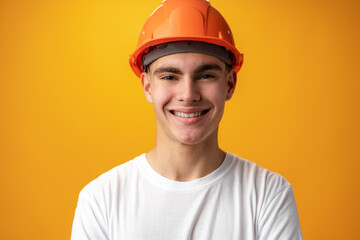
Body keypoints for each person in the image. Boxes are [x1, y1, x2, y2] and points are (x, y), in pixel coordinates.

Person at [71, 0, 302, 239]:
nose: (188, 94)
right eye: (170, 76)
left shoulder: (267, 194)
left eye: (205, 75)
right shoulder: (101, 200)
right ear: (148, 87)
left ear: (230, 84)